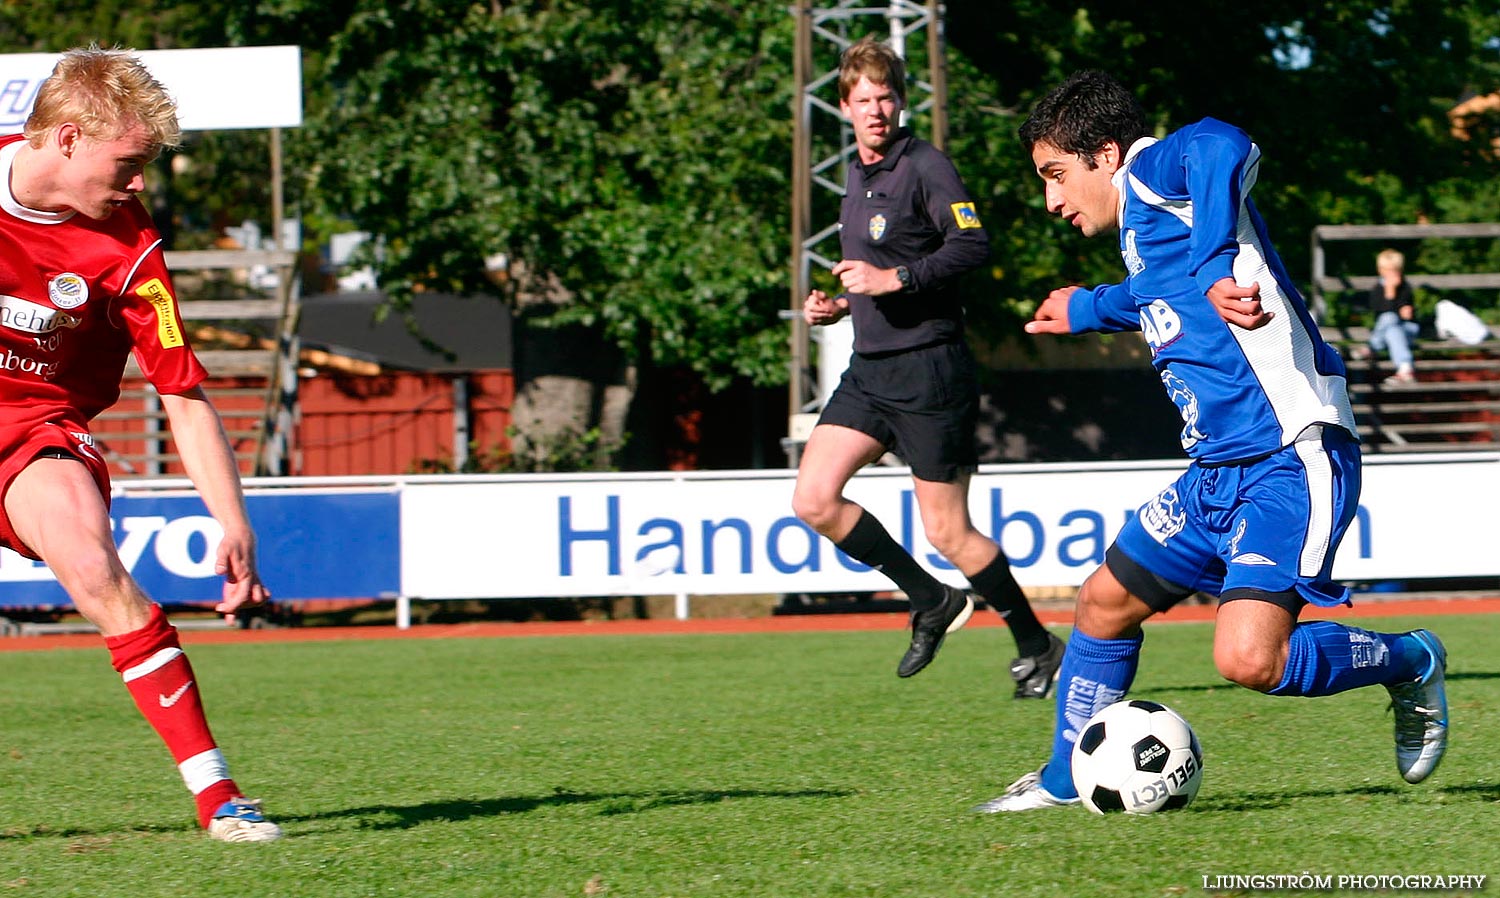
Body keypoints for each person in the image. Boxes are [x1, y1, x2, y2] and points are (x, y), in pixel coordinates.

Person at [975, 70, 1448, 812]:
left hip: (1291, 457)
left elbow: (1223, 142)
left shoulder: (1158, 171)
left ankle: (1411, 659)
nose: (1052, 201)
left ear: (1105, 154)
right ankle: (1065, 781)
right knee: (1101, 605)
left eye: (1056, 176)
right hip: (1216, 471)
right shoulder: (1140, 228)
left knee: (1246, 658)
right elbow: (1155, 294)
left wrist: (1214, 258)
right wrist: (1089, 306)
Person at [0, 47, 281, 841]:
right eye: (128, 163)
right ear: (65, 139)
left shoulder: (129, 250)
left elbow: (183, 394)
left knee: (92, 563)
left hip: (31, 433)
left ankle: (217, 795)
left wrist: (233, 522)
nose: (138, 183)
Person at [791, 36, 1063, 691]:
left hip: (930, 373)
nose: (876, 110)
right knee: (814, 499)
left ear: (901, 101)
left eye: (886, 97)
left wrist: (896, 281)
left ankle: (1038, 644)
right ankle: (931, 600)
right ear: (844, 108)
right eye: (863, 100)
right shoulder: (856, 176)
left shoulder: (925, 165)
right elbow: (871, 274)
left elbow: (972, 245)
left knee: (948, 531)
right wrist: (837, 307)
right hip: (870, 370)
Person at [1366, 248, 1420, 386]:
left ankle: (1372, 347)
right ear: (1380, 270)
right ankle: (1405, 369)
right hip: (1388, 332)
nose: (1390, 274)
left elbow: (1407, 314)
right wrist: (1390, 292)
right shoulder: (1377, 289)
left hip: (1407, 329)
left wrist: (1407, 311)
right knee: (1390, 325)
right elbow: (1379, 310)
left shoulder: (1405, 287)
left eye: (1393, 270)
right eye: (1386, 270)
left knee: (1390, 320)